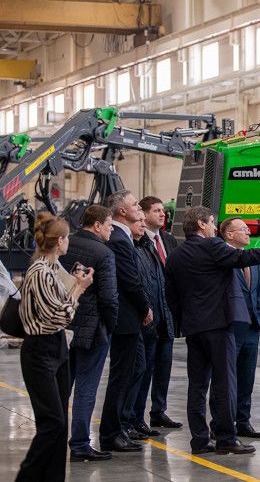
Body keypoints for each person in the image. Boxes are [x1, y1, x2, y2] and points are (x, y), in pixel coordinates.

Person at [165, 206, 260, 454]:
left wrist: (185, 321)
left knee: (197, 386)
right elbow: (244, 258)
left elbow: (171, 295)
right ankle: (226, 439)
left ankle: (199, 440)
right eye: (211, 222)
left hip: (193, 328)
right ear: (201, 224)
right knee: (225, 383)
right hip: (219, 326)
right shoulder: (212, 246)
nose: (214, 227)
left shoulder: (175, 255)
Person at [17, 212, 93, 482]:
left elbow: (60, 306)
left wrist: (74, 284)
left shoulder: (51, 269)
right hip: (40, 350)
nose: (68, 242)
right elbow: (59, 316)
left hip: (56, 346)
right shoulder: (39, 272)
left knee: (61, 423)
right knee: (52, 422)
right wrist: (79, 290)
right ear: (60, 241)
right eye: (67, 238)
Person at [59, 205, 117, 462]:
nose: (111, 230)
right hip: (93, 331)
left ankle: (54, 437)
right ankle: (81, 443)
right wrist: (110, 326)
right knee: (86, 388)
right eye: (109, 225)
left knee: (62, 386)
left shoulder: (64, 245)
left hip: (64, 325)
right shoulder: (104, 253)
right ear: (97, 225)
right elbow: (109, 298)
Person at [99, 190, 153, 453]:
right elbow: (130, 281)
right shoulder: (120, 240)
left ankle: (121, 426)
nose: (138, 209)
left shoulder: (124, 237)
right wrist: (145, 308)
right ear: (122, 211)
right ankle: (111, 433)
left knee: (135, 369)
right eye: (134, 205)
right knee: (122, 376)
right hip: (126, 318)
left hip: (129, 318)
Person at [210, 217, 260, 439]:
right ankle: (219, 423)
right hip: (230, 328)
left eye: (247, 229)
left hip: (251, 327)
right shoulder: (222, 258)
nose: (248, 232)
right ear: (229, 235)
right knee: (224, 378)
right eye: (243, 229)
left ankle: (243, 420)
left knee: (246, 377)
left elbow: (258, 292)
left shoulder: (251, 259)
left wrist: (258, 317)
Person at [132, 202, 176, 434]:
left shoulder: (168, 240)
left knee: (164, 366)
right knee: (145, 367)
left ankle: (159, 411)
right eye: (156, 210)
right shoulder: (139, 243)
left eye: (163, 211)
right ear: (144, 214)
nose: (162, 214)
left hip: (167, 312)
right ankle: (137, 415)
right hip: (148, 315)